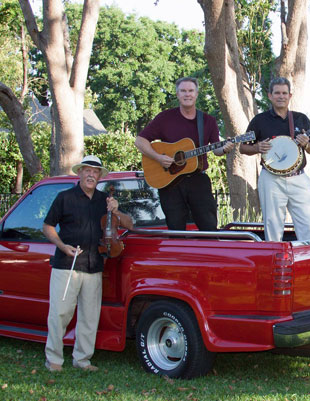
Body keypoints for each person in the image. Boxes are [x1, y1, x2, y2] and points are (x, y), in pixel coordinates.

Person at [43, 155, 133, 372]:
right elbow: (47, 227)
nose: (91, 174)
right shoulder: (64, 198)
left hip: (94, 265)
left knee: (89, 317)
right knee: (60, 314)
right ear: (80, 173)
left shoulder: (105, 201)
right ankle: (54, 359)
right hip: (67, 264)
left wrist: (116, 210)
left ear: (100, 176)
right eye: (87, 170)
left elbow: (130, 224)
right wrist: (63, 246)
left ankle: (82, 360)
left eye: (95, 172)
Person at [135, 76, 234, 231]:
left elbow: (216, 150)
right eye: (183, 91)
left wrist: (225, 148)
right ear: (177, 94)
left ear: (196, 93)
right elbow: (140, 141)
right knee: (175, 229)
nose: (187, 94)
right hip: (170, 182)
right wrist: (158, 158)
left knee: (209, 227)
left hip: (198, 180)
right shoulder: (164, 118)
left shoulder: (208, 121)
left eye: (190, 91)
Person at [240, 77, 310, 242]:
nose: (281, 96)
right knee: (273, 226)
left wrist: (306, 145)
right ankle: (276, 265)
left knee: (308, 226)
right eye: (277, 93)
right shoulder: (259, 121)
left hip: (298, 178)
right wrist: (256, 148)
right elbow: (243, 147)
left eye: (284, 93)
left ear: (290, 96)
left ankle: (308, 263)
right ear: (270, 95)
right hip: (271, 179)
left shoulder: (301, 119)